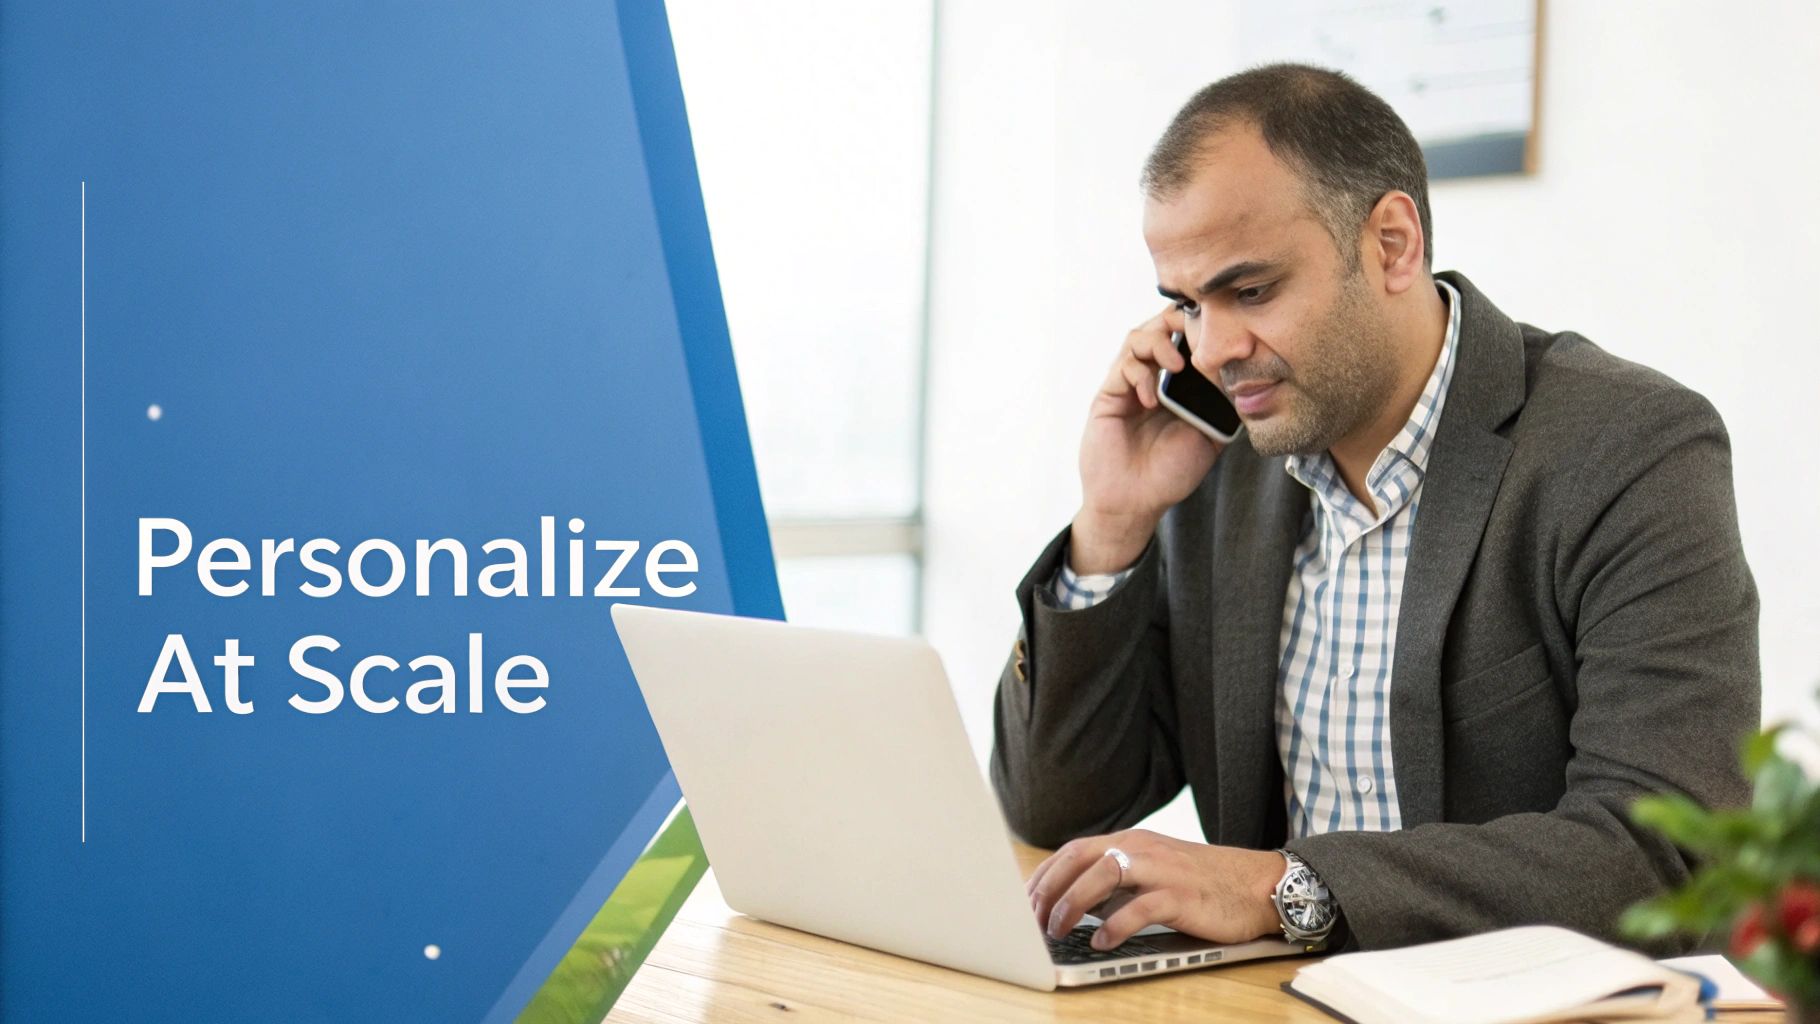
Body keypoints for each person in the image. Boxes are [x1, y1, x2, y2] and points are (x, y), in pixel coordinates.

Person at [997, 63, 1759, 955]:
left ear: (1392, 244)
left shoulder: (1629, 448)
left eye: (1250, 292)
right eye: (1185, 305)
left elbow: (1666, 852)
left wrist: (1284, 887)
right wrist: (1112, 525)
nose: (1212, 350)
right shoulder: (1219, 469)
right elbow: (1057, 804)